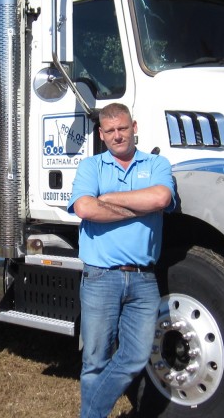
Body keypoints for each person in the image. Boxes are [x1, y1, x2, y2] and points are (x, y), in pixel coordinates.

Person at [68, 102, 175, 418]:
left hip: (144, 279)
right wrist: (139, 207)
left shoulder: (156, 164)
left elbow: (160, 198)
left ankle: (90, 414)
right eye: (110, 131)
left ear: (134, 127)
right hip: (101, 277)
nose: (117, 136)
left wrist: (109, 200)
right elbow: (86, 209)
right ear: (102, 134)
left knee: (137, 356)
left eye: (123, 129)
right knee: (95, 360)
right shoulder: (91, 167)